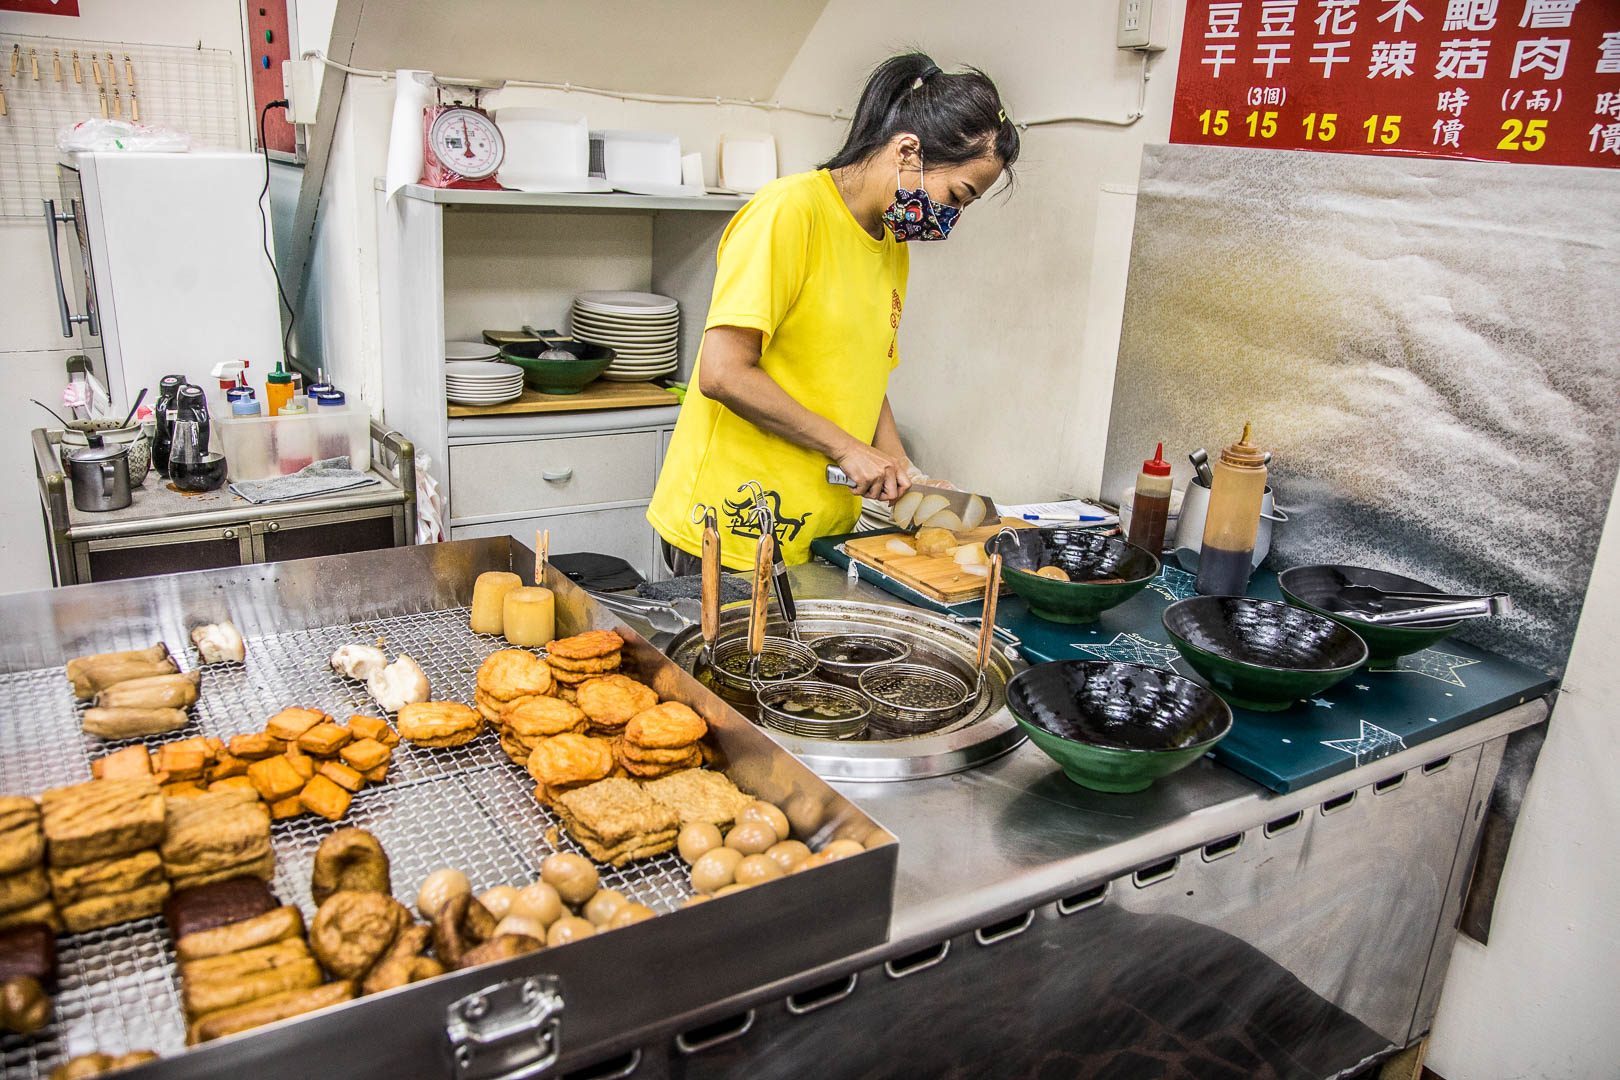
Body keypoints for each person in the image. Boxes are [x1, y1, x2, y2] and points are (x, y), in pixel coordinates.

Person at [647, 52, 1019, 574]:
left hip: (819, 529)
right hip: (733, 524)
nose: (951, 217)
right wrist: (847, 448)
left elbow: (865, 376)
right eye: (957, 195)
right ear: (907, 151)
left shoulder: (891, 246)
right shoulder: (789, 212)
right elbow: (723, 373)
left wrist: (903, 469)